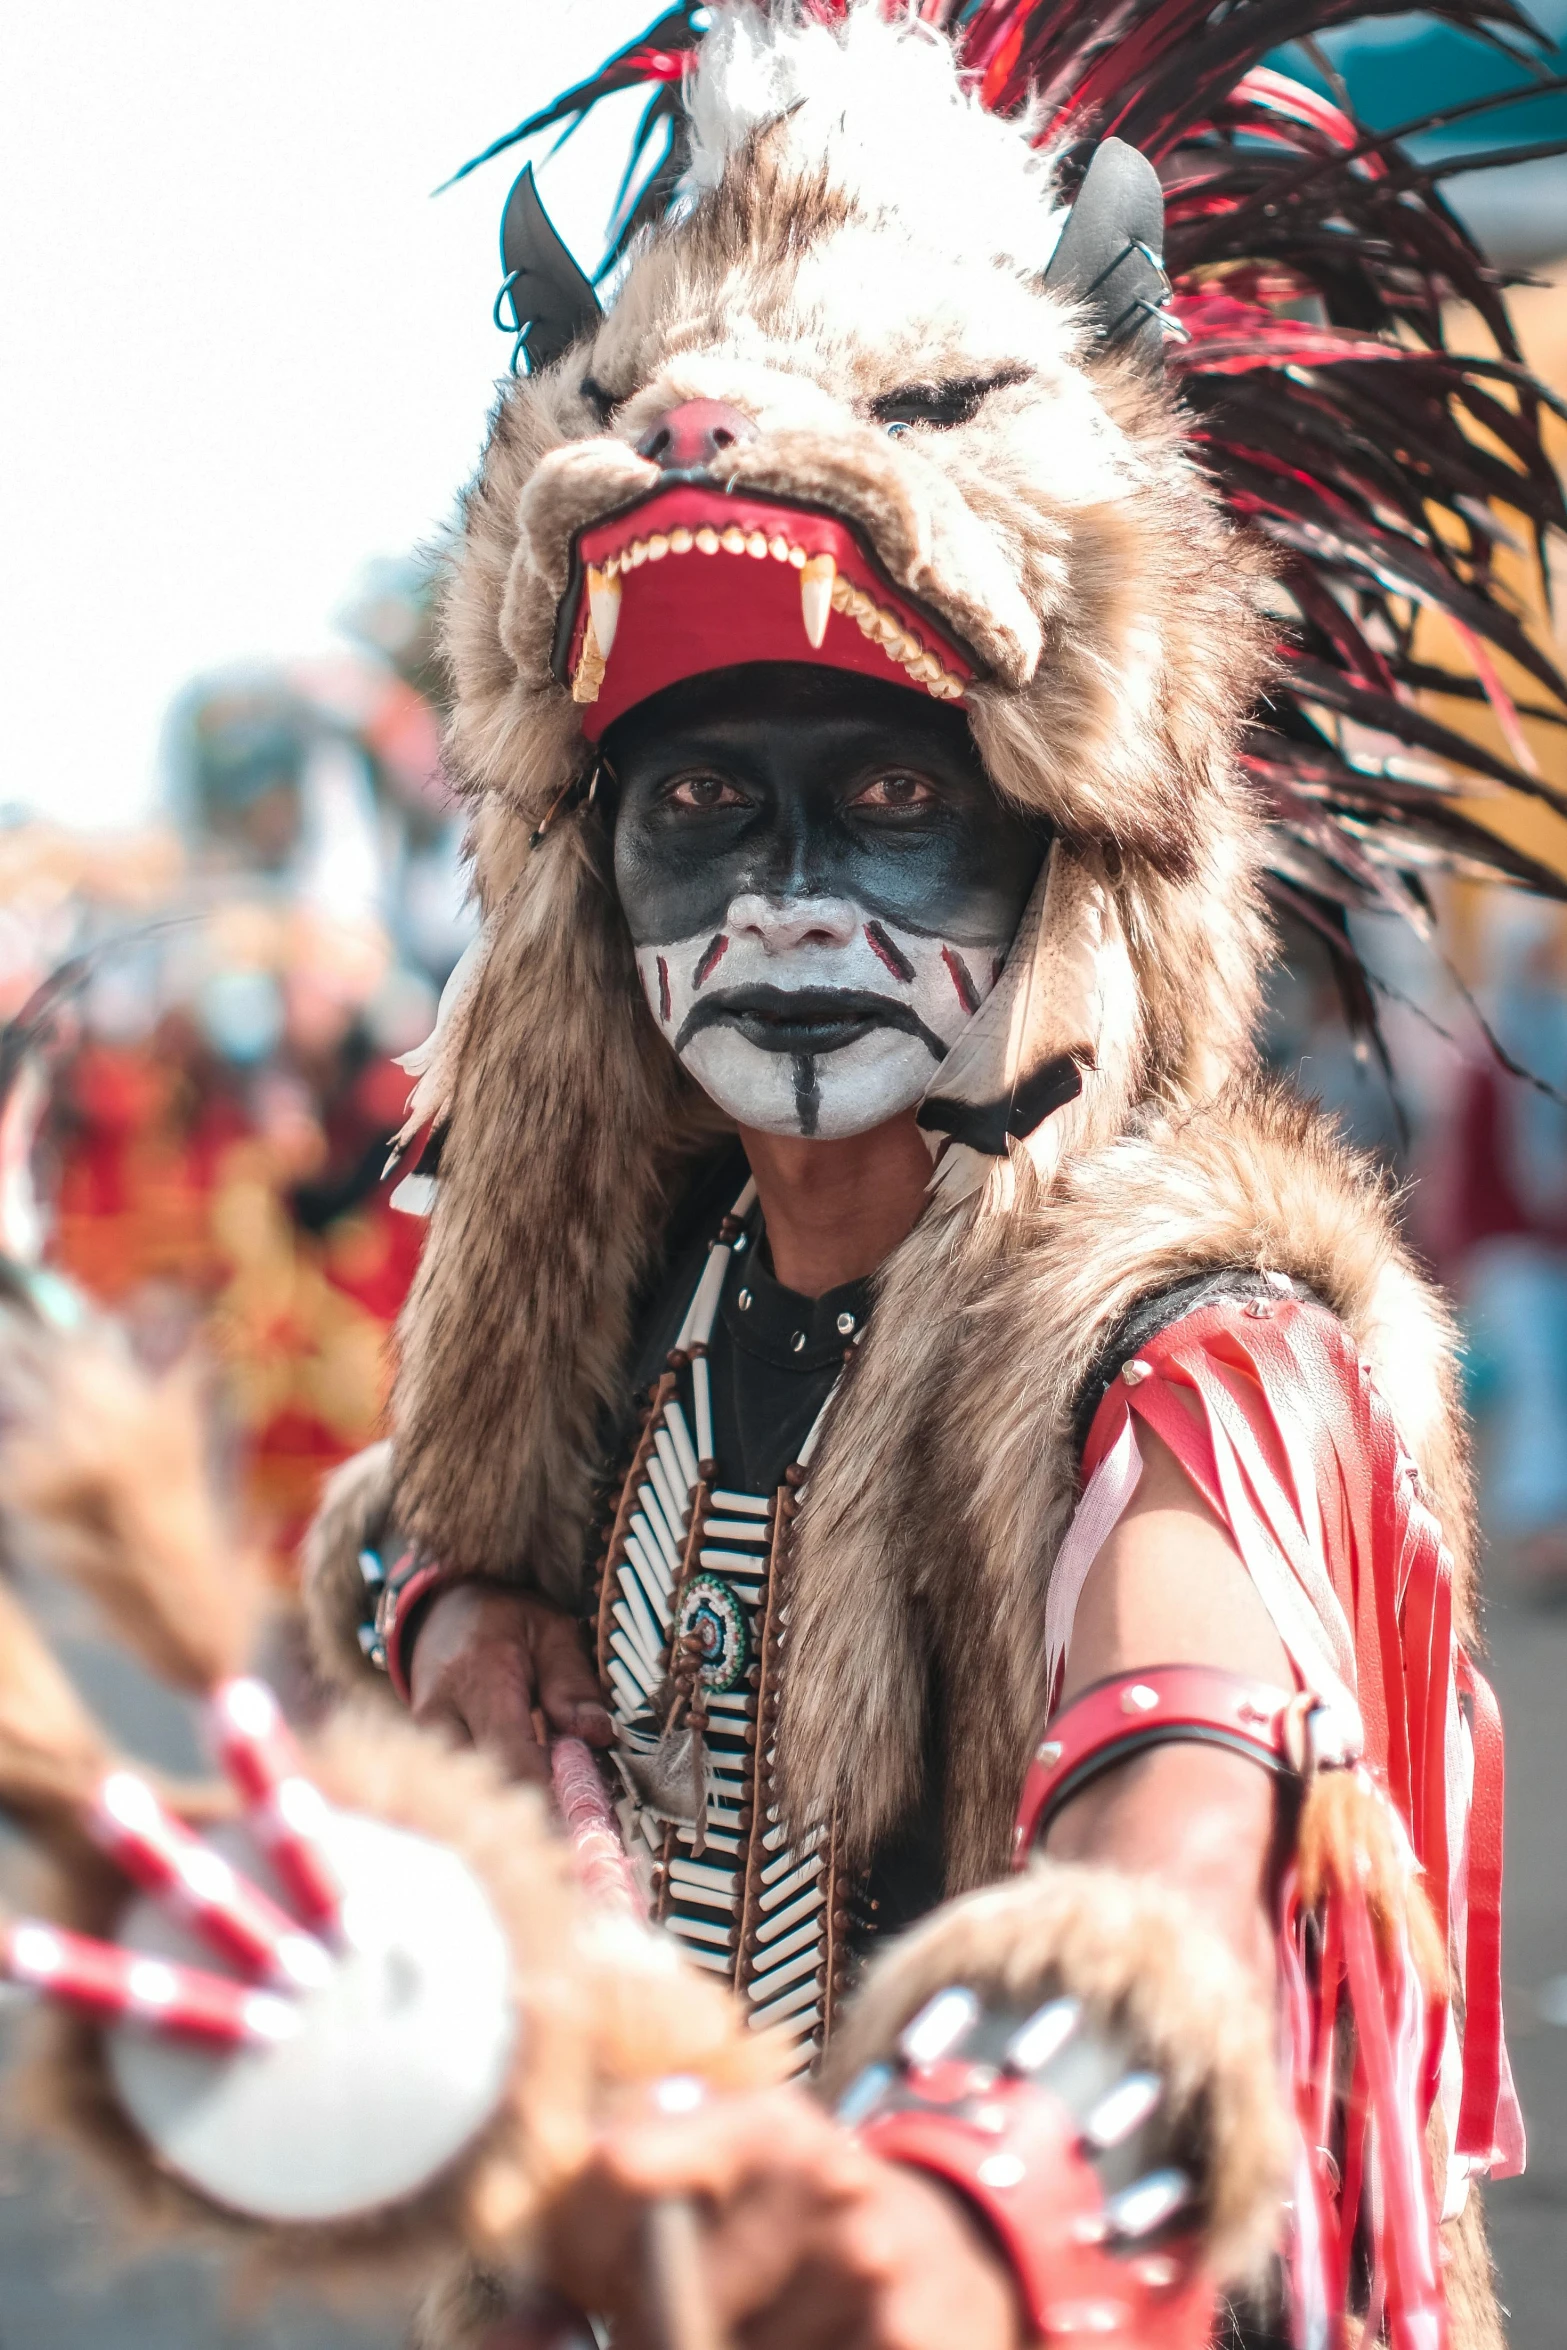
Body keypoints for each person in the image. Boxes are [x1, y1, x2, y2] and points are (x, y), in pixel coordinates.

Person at [303, 3, 1567, 2341]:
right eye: (702, 809)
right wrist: (457, 1603)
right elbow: (420, 1508)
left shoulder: (1199, 1355)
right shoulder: (643, 1282)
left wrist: (980, 2193)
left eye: (889, 801)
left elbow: (1181, 1798)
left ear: (1055, 831)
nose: (784, 901)